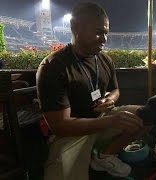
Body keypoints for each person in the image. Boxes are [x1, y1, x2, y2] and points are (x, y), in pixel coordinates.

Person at [36, 2, 143, 180]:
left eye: (106, 33)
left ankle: (104, 157)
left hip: (104, 121)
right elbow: (60, 126)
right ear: (75, 27)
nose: (104, 39)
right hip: (71, 135)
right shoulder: (53, 66)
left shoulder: (105, 60)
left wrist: (111, 99)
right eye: (98, 32)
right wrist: (110, 121)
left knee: (145, 114)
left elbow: (114, 89)